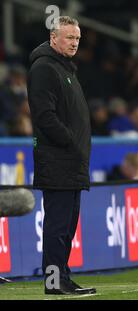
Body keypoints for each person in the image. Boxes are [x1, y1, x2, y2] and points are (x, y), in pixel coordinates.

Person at [27, 16, 96, 295]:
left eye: (77, 38)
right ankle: (54, 281)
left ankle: (62, 277)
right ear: (54, 38)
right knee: (57, 226)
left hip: (71, 162)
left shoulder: (65, 69)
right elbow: (44, 115)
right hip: (58, 161)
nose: (74, 43)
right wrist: (70, 142)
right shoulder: (44, 68)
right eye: (69, 38)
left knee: (66, 227)